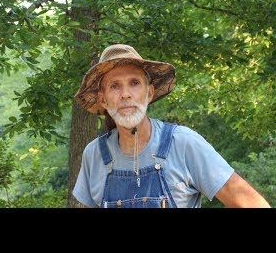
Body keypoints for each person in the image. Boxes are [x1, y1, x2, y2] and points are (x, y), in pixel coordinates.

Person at [72, 43, 270, 208]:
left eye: (134, 83)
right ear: (103, 100)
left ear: (149, 93)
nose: (125, 94)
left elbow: (252, 203)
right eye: (114, 86)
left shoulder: (183, 143)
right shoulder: (94, 155)